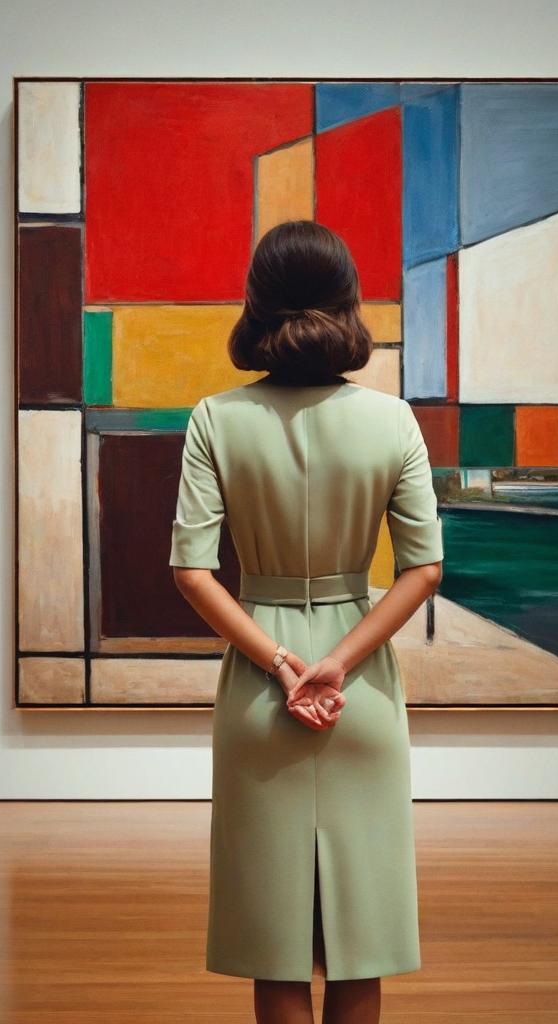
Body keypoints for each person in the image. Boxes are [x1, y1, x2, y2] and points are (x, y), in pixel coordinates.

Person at [169, 219, 444, 1024]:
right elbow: (424, 569)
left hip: (261, 686)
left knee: (275, 945)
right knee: (364, 942)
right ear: (347, 305)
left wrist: (282, 664)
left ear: (256, 306)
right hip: (361, 690)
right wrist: (338, 662)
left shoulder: (216, 419)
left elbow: (191, 571)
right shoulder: (393, 421)